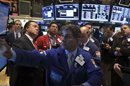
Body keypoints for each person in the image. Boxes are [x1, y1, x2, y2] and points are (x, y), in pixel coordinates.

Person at [0, 24, 103, 86]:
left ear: (78, 39)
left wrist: (86, 85)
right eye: (62, 36)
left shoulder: (85, 56)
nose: (63, 39)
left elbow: (96, 74)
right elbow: (32, 57)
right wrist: (12, 54)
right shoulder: (52, 54)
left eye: (68, 37)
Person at [7, 21, 45, 86]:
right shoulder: (20, 40)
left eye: (38, 27)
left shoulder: (32, 41)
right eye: (34, 26)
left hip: (32, 79)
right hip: (24, 80)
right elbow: (18, 60)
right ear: (27, 28)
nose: (37, 29)